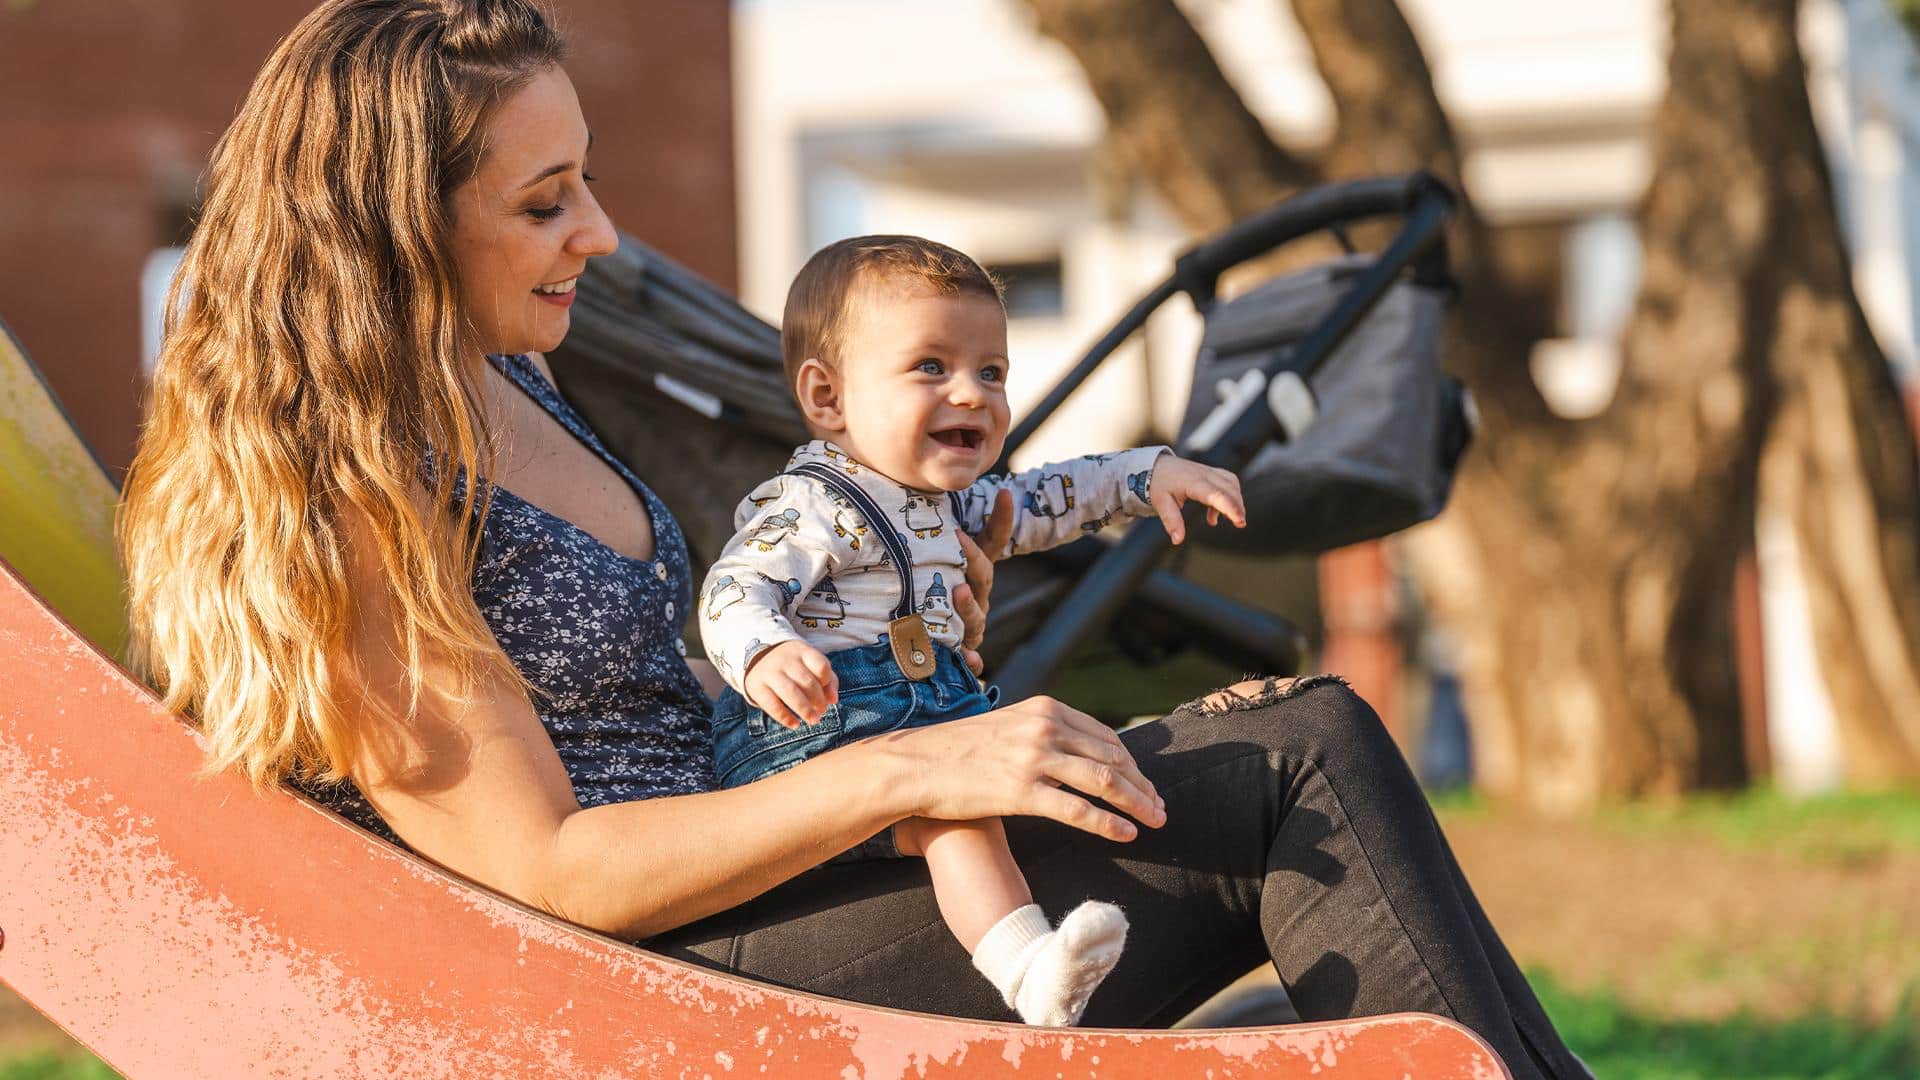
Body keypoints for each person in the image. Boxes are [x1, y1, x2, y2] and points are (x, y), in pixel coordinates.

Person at [116, 1, 1588, 1073]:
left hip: (764, 875)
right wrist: (913, 763)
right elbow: (552, 867)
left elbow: (660, 701)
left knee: (1299, 752)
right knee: (1300, 762)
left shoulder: (509, 380)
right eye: (546, 200)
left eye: (588, 181)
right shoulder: (343, 501)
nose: (604, 237)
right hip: (631, 986)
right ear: (395, 224)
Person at [699, 234, 1247, 1025]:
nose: (972, 394)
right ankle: (1026, 967)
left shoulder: (948, 502)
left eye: (991, 372)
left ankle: (1039, 964)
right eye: (931, 367)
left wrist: (1146, 475)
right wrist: (767, 651)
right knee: (957, 815)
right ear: (829, 398)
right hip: (818, 727)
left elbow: (1051, 495)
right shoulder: (809, 502)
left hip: (907, 711)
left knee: (971, 814)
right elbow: (734, 587)